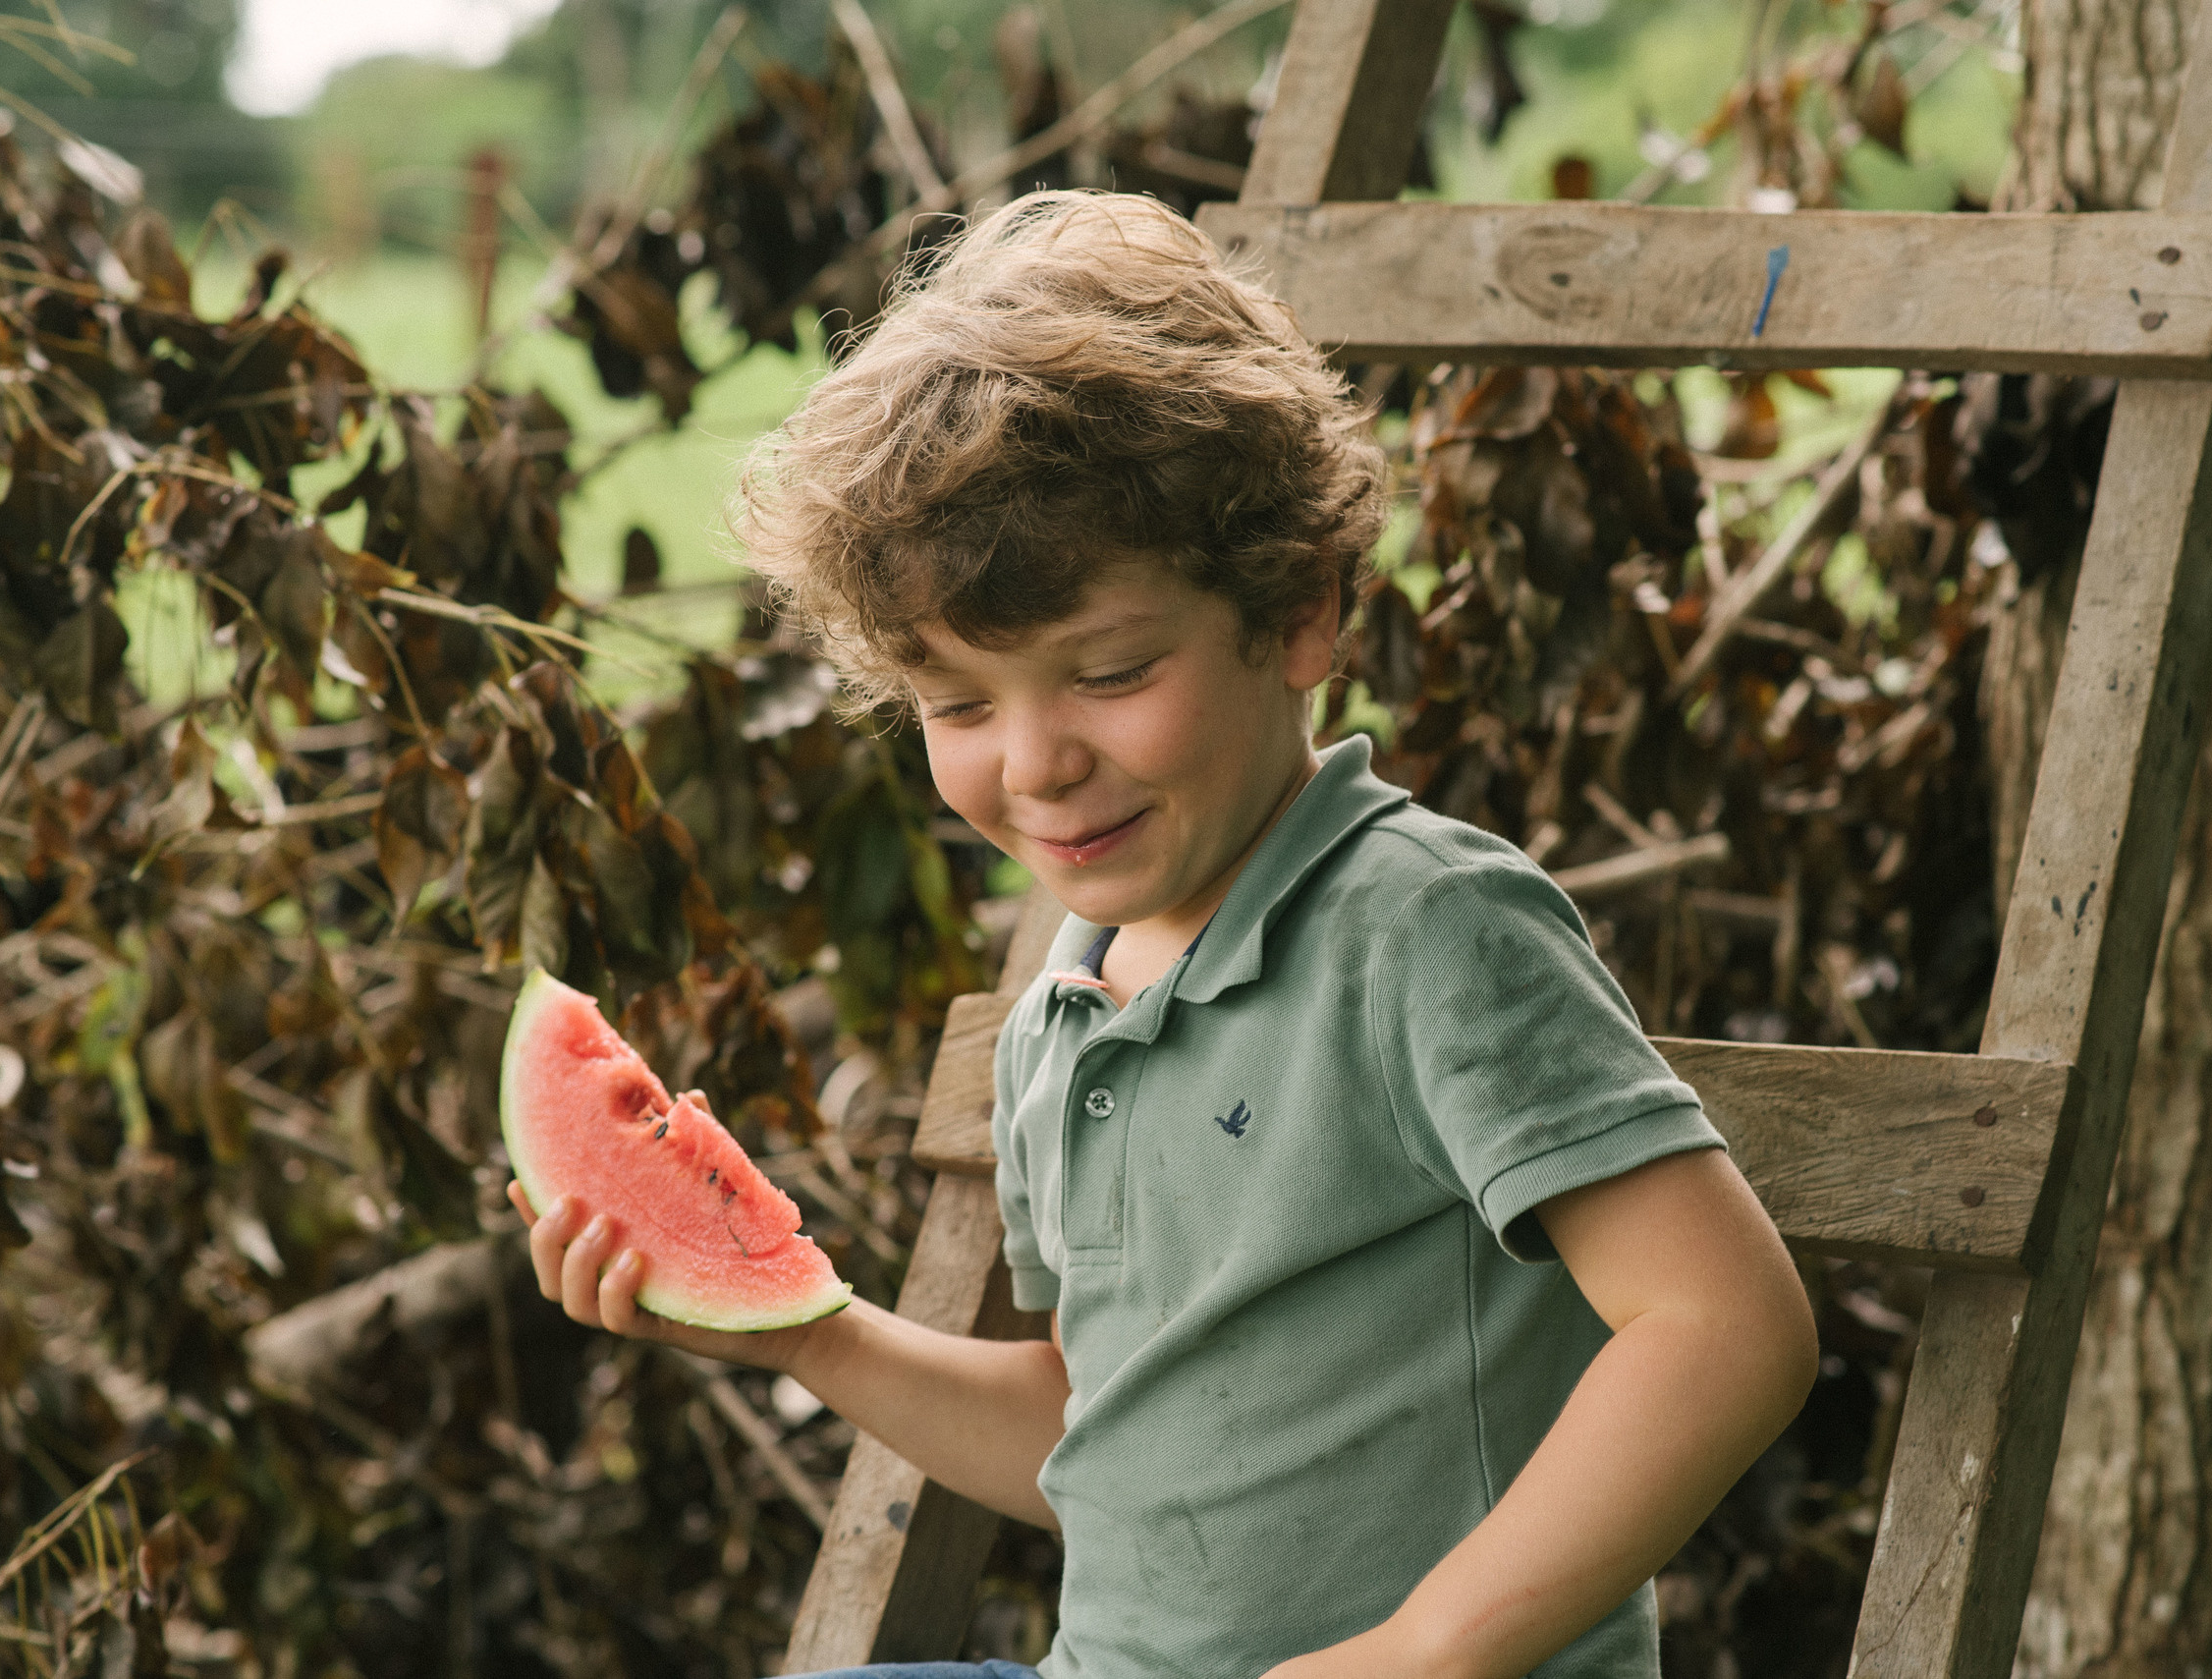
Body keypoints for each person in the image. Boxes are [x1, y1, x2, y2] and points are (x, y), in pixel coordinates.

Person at [514, 191, 1818, 1679]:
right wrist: (813, 1337)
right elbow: (1111, 1433)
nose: (1037, 760)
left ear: (1303, 614)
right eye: (958, 705)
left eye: (1112, 670)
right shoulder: (1060, 1013)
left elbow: (1725, 1325)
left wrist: (1424, 1651)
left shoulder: (1425, 928)